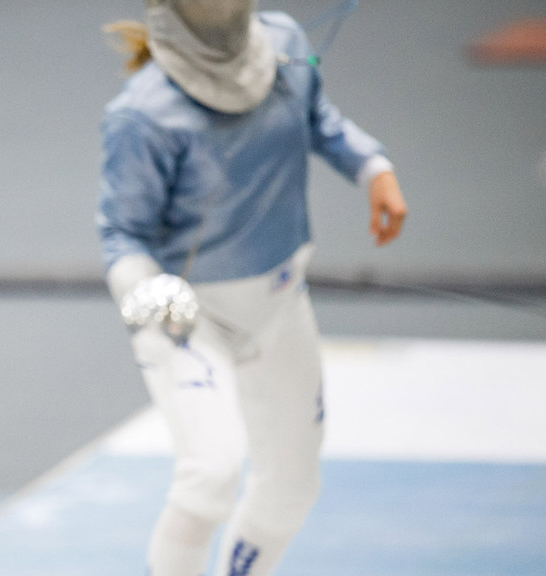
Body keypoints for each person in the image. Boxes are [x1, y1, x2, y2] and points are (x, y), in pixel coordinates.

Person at [97, 2, 407, 575]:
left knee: (291, 487)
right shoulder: (143, 113)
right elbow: (122, 233)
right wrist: (148, 294)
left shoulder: (285, 42)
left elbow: (317, 117)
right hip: (188, 320)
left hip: (278, 306)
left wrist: (372, 166)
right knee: (209, 478)